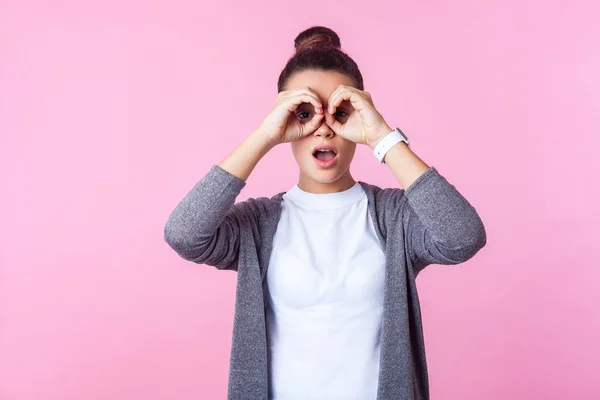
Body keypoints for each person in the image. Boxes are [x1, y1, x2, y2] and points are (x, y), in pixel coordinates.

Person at [164, 25, 487, 400]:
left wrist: (382, 137)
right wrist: (264, 136)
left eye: (341, 113)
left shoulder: (394, 217)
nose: (323, 131)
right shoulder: (259, 224)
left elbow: (464, 237)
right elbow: (184, 234)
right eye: (303, 114)